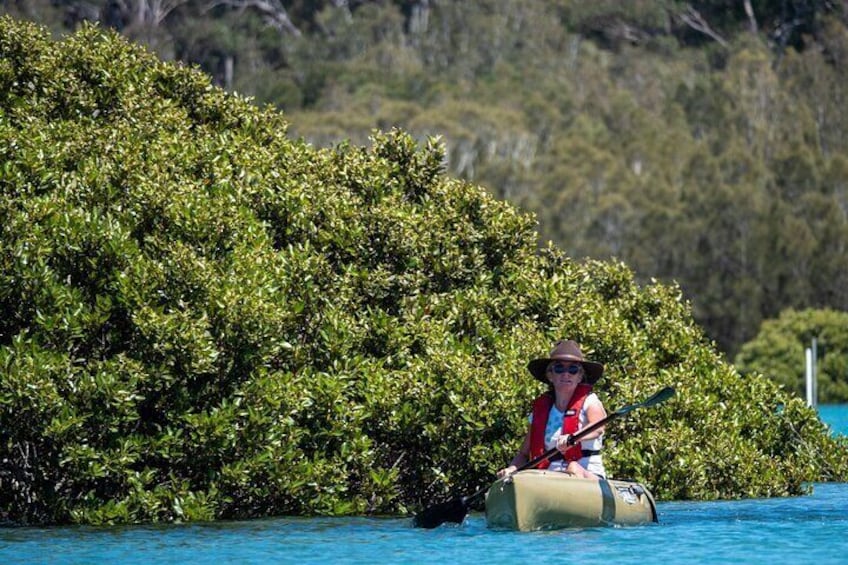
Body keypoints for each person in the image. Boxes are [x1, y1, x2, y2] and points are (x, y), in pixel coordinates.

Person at [497, 339, 607, 480]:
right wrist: (511, 468)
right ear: (550, 375)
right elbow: (524, 454)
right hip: (549, 479)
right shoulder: (541, 410)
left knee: (573, 467)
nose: (566, 374)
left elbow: (599, 428)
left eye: (573, 370)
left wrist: (573, 438)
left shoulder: (590, 401)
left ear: (580, 376)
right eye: (559, 368)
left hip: (586, 475)